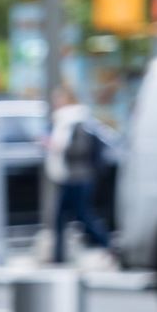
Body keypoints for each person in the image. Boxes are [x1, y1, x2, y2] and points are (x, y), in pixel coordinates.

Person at [47, 88, 110, 265]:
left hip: (79, 176)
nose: (56, 103)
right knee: (62, 218)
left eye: (59, 98)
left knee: (81, 216)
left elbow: (79, 148)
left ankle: (106, 244)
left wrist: (59, 147)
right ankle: (58, 257)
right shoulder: (63, 120)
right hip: (68, 176)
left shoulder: (76, 121)